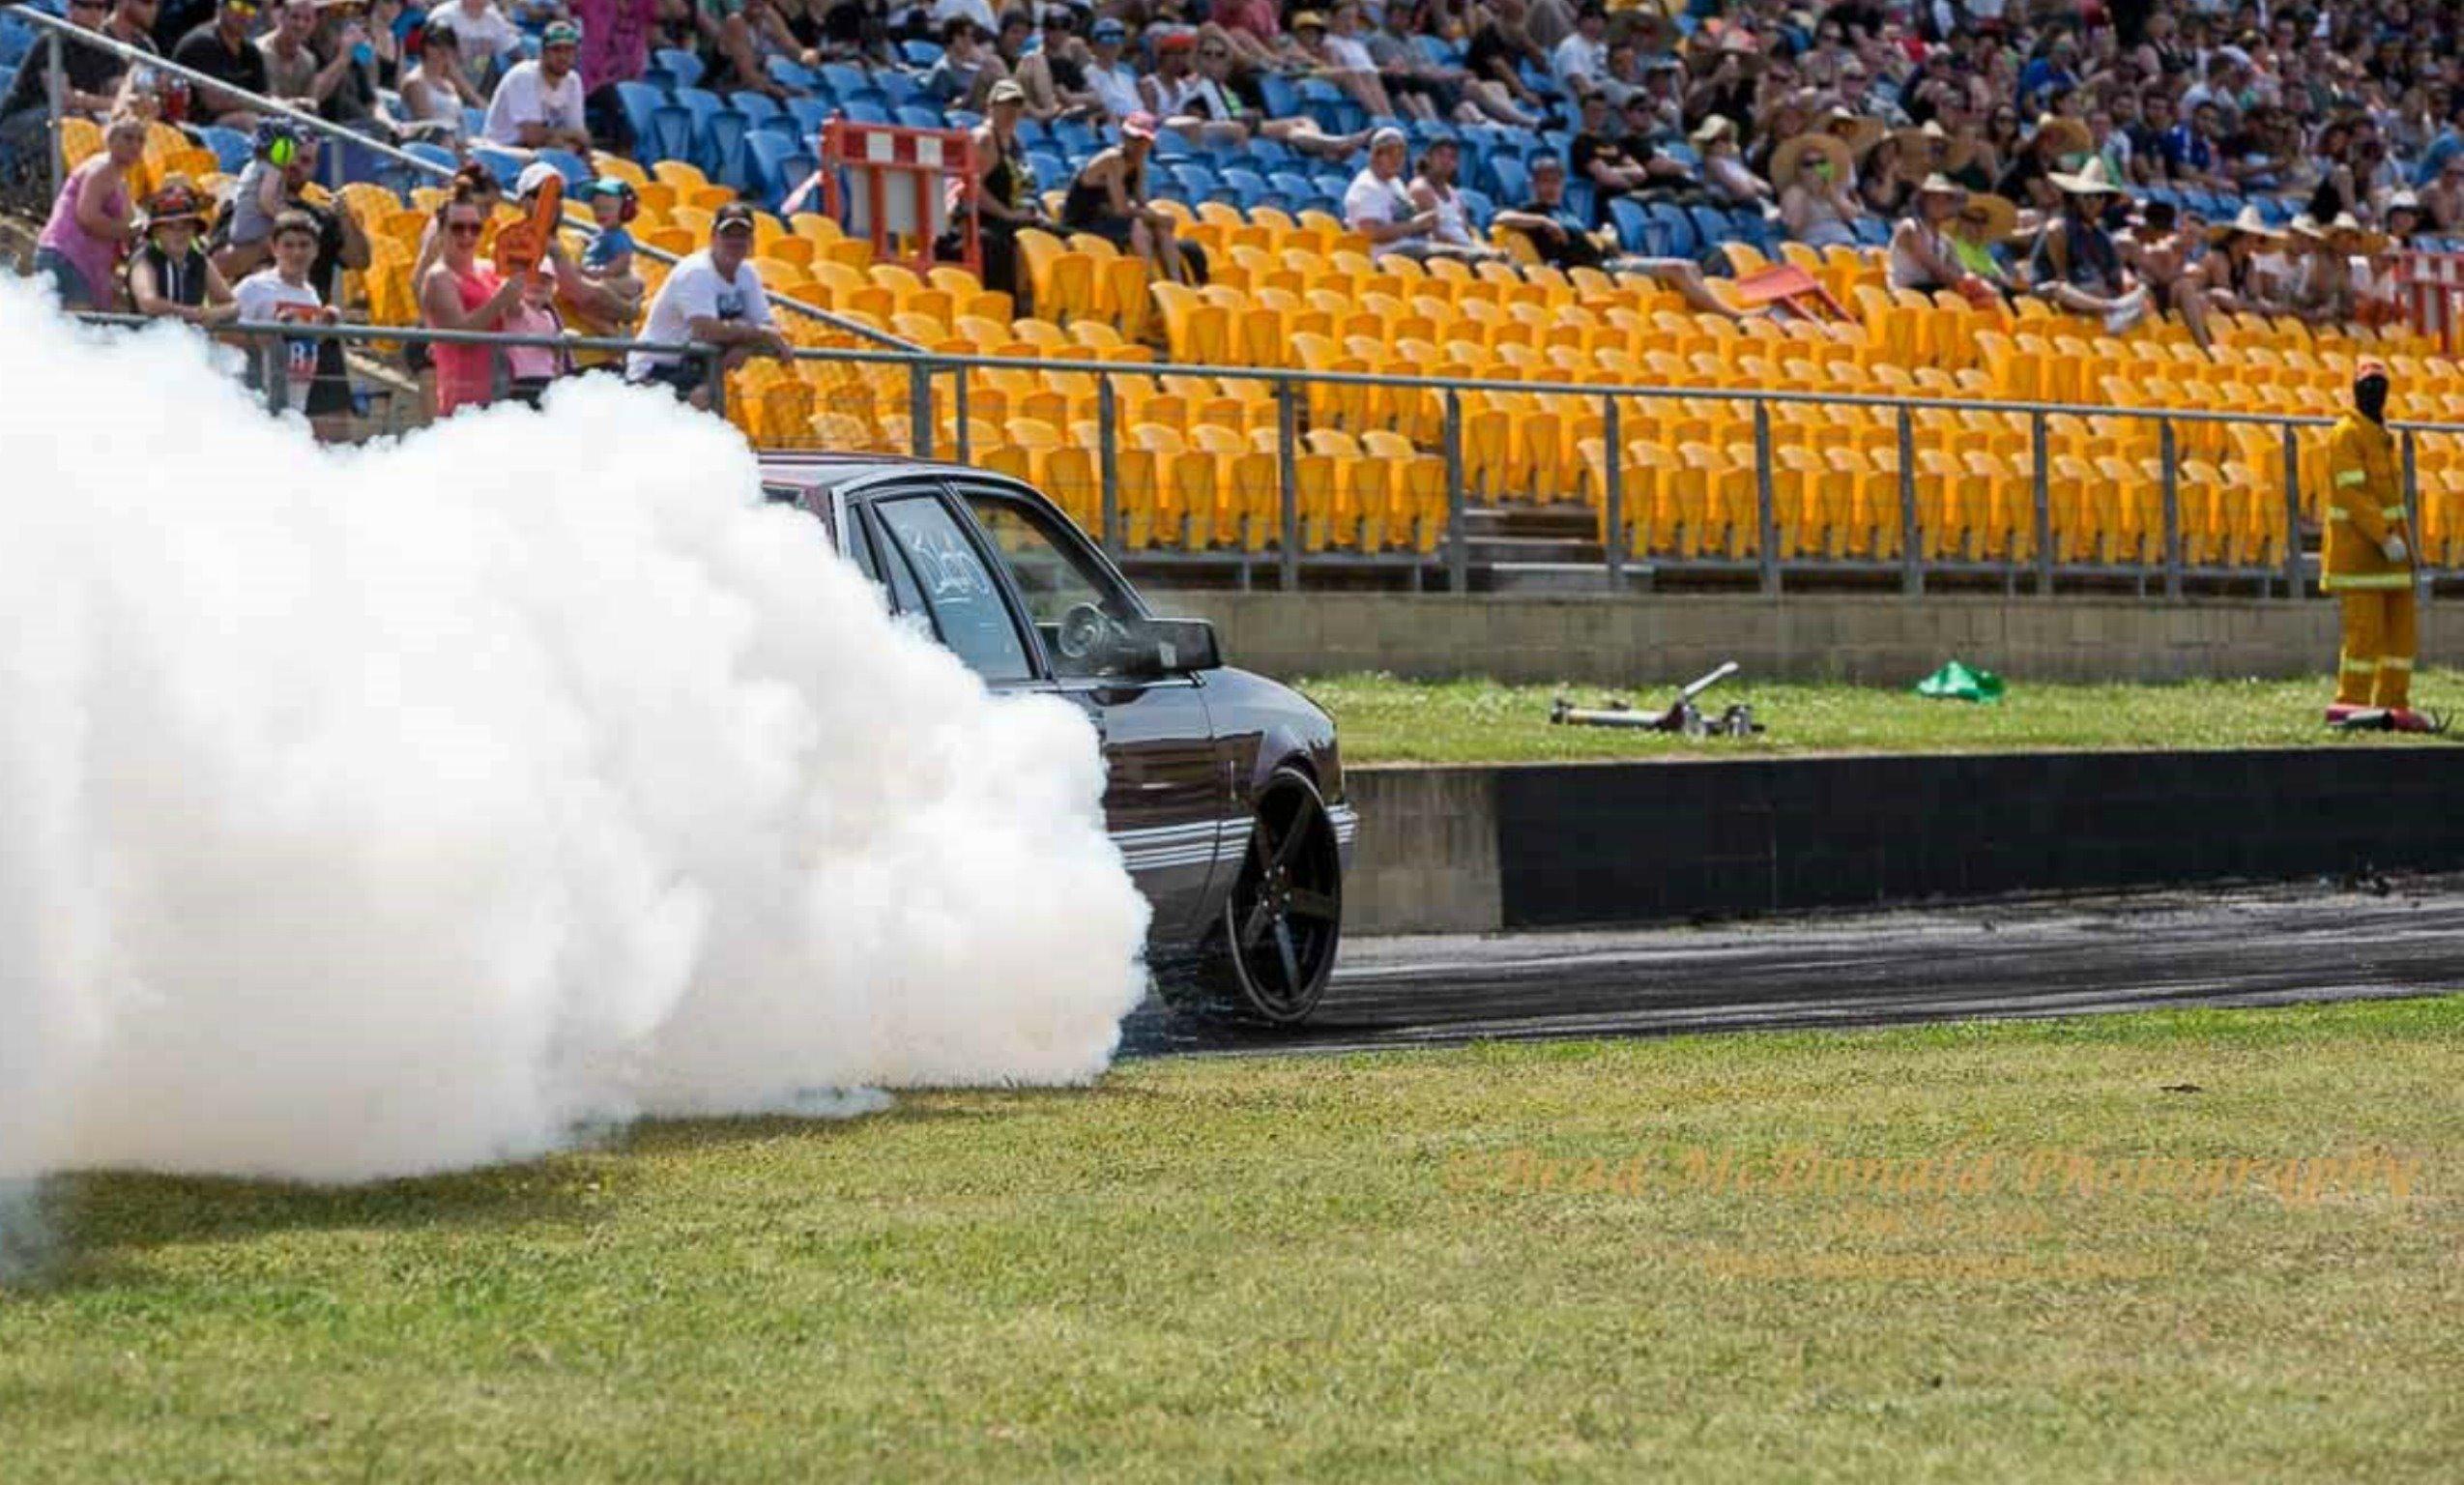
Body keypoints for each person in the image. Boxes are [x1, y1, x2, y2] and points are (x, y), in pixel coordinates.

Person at [2322, 360, 2428, 728]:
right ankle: (2350, 703)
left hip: (2393, 560)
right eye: (2368, 385)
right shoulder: (2346, 434)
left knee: (2402, 638)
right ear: (2355, 390)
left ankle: (2393, 703)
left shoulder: (2383, 437)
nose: (2374, 392)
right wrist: (2383, 536)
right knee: (2363, 640)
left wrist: (2408, 551)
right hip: (2361, 560)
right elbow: (2353, 493)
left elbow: (2394, 500)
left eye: (2379, 385)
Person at [626, 201, 793, 408]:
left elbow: (770, 326)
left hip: (697, 369)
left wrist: (745, 345)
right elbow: (706, 330)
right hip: (655, 369)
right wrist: (759, 334)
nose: (735, 242)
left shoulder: (747, 274)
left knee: (710, 399)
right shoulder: (697, 272)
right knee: (704, 400)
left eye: (741, 235)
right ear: (713, 236)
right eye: (728, 234)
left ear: (751, 241)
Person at [420, 185, 529, 414]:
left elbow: (515, 317)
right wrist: (501, 299)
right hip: (463, 399)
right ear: (441, 231)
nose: (467, 235)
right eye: (457, 228)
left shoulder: (489, 268)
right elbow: (462, 335)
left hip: (502, 388)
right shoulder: (439, 277)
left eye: (474, 228)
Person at [232, 210, 340, 424]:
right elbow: (221, 332)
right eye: (288, 245)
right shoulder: (254, 287)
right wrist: (263, 337)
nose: (296, 253)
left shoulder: (311, 295)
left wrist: (324, 327)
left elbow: (305, 343)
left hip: (296, 402)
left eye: (304, 245)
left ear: (316, 250)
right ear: (274, 249)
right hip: (256, 398)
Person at [1060, 111, 1191, 284]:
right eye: (1132, 138)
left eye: (1142, 140)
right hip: (1083, 221)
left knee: (1160, 227)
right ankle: (1150, 281)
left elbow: (1141, 202)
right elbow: (1121, 209)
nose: (1136, 144)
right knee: (1137, 224)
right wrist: (1155, 217)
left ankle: (1177, 282)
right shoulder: (1113, 160)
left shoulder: (1139, 164)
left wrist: (1160, 219)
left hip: (1106, 219)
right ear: (1123, 136)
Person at [34, 113, 144, 310]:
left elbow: (131, 222)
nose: (135, 145)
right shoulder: (101, 169)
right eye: (127, 138)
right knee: (75, 331)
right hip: (67, 257)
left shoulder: (120, 179)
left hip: (85, 262)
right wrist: (127, 231)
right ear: (110, 139)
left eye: (140, 140)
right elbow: (87, 217)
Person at [2029, 157, 2147, 334]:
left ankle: (2112, 319)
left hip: (2088, 293)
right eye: (2087, 196)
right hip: (2052, 289)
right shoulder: (2060, 227)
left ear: (2105, 201)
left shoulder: (2102, 236)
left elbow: (2111, 276)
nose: (2092, 201)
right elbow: (2061, 278)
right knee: (2063, 289)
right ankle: (2112, 310)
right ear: (2076, 198)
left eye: (2099, 196)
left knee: (2142, 301)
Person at [967, 79, 1049, 308]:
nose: (1011, 111)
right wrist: (1007, 214)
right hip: (985, 220)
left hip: (1013, 217)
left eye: (1016, 105)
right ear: (991, 106)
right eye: (1005, 105)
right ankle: (1015, 308)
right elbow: (972, 187)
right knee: (1005, 243)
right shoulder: (985, 138)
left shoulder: (1015, 141)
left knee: (1067, 236)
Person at [127, 175, 240, 326]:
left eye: (186, 226)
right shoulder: (145, 258)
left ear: (194, 229)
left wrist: (214, 314)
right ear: (156, 232)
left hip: (191, 342)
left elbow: (233, 305)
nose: (179, 233)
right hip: (149, 341)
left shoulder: (199, 260)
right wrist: (190, 313)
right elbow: (148, 303)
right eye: (170, 227)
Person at [483, 17, 592, 153]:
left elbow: (581, 136)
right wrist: (567, 136)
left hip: (543, 149)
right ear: (543, 53)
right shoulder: (524, 76)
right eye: (556, 50)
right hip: (504, 150)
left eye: (569, 50)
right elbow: (532, 137)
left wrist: (568, 139)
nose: (563, 56)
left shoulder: (573, 81)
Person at [1343, 127, 1443, 260]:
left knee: (1468, 256)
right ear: (1374, 156)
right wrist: (1415, 225)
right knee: (1457, 257)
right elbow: (1371, 233)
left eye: (1401, 154)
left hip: (1408, 246)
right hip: (1384, 255)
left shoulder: (1395, 182)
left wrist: (1426, 221)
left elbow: (1406, 217)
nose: (1396, 160)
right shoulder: (1366, 187)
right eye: (1389, 154)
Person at [171, 0, 274, 129]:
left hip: (241, 124)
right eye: (237, 5)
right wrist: (258, 103)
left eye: (250, 9)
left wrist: (290, 106)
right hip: (196, 126)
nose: (243, 14)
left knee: (287, 129)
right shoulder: (202, 42)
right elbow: (214, 102)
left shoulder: (251, 52)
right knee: (250, 121)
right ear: (221, 5)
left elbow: (265, 96)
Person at [1406, 137, 1502, 260]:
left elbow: (1466, 232)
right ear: (1428, 158)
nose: (1446, 161)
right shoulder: (1420, 188)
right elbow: (1435, 235)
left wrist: (1484, 249)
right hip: (1446, 254)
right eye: (1440, 155)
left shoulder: (1455, 194)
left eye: (1452, 157)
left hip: (1466, 250)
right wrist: (1473, 250)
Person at [1775, 131, 1862, 249]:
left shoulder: (1833, 188)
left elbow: (1851, 215)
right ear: (1798, 170)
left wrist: (1830, 191)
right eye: (1808, 164)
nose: (1815, 168)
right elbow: (1793, 227)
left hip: (1846, 243)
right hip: (1815, 247)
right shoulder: (1794, 191)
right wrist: (1806, 191)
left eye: (1821, 163)